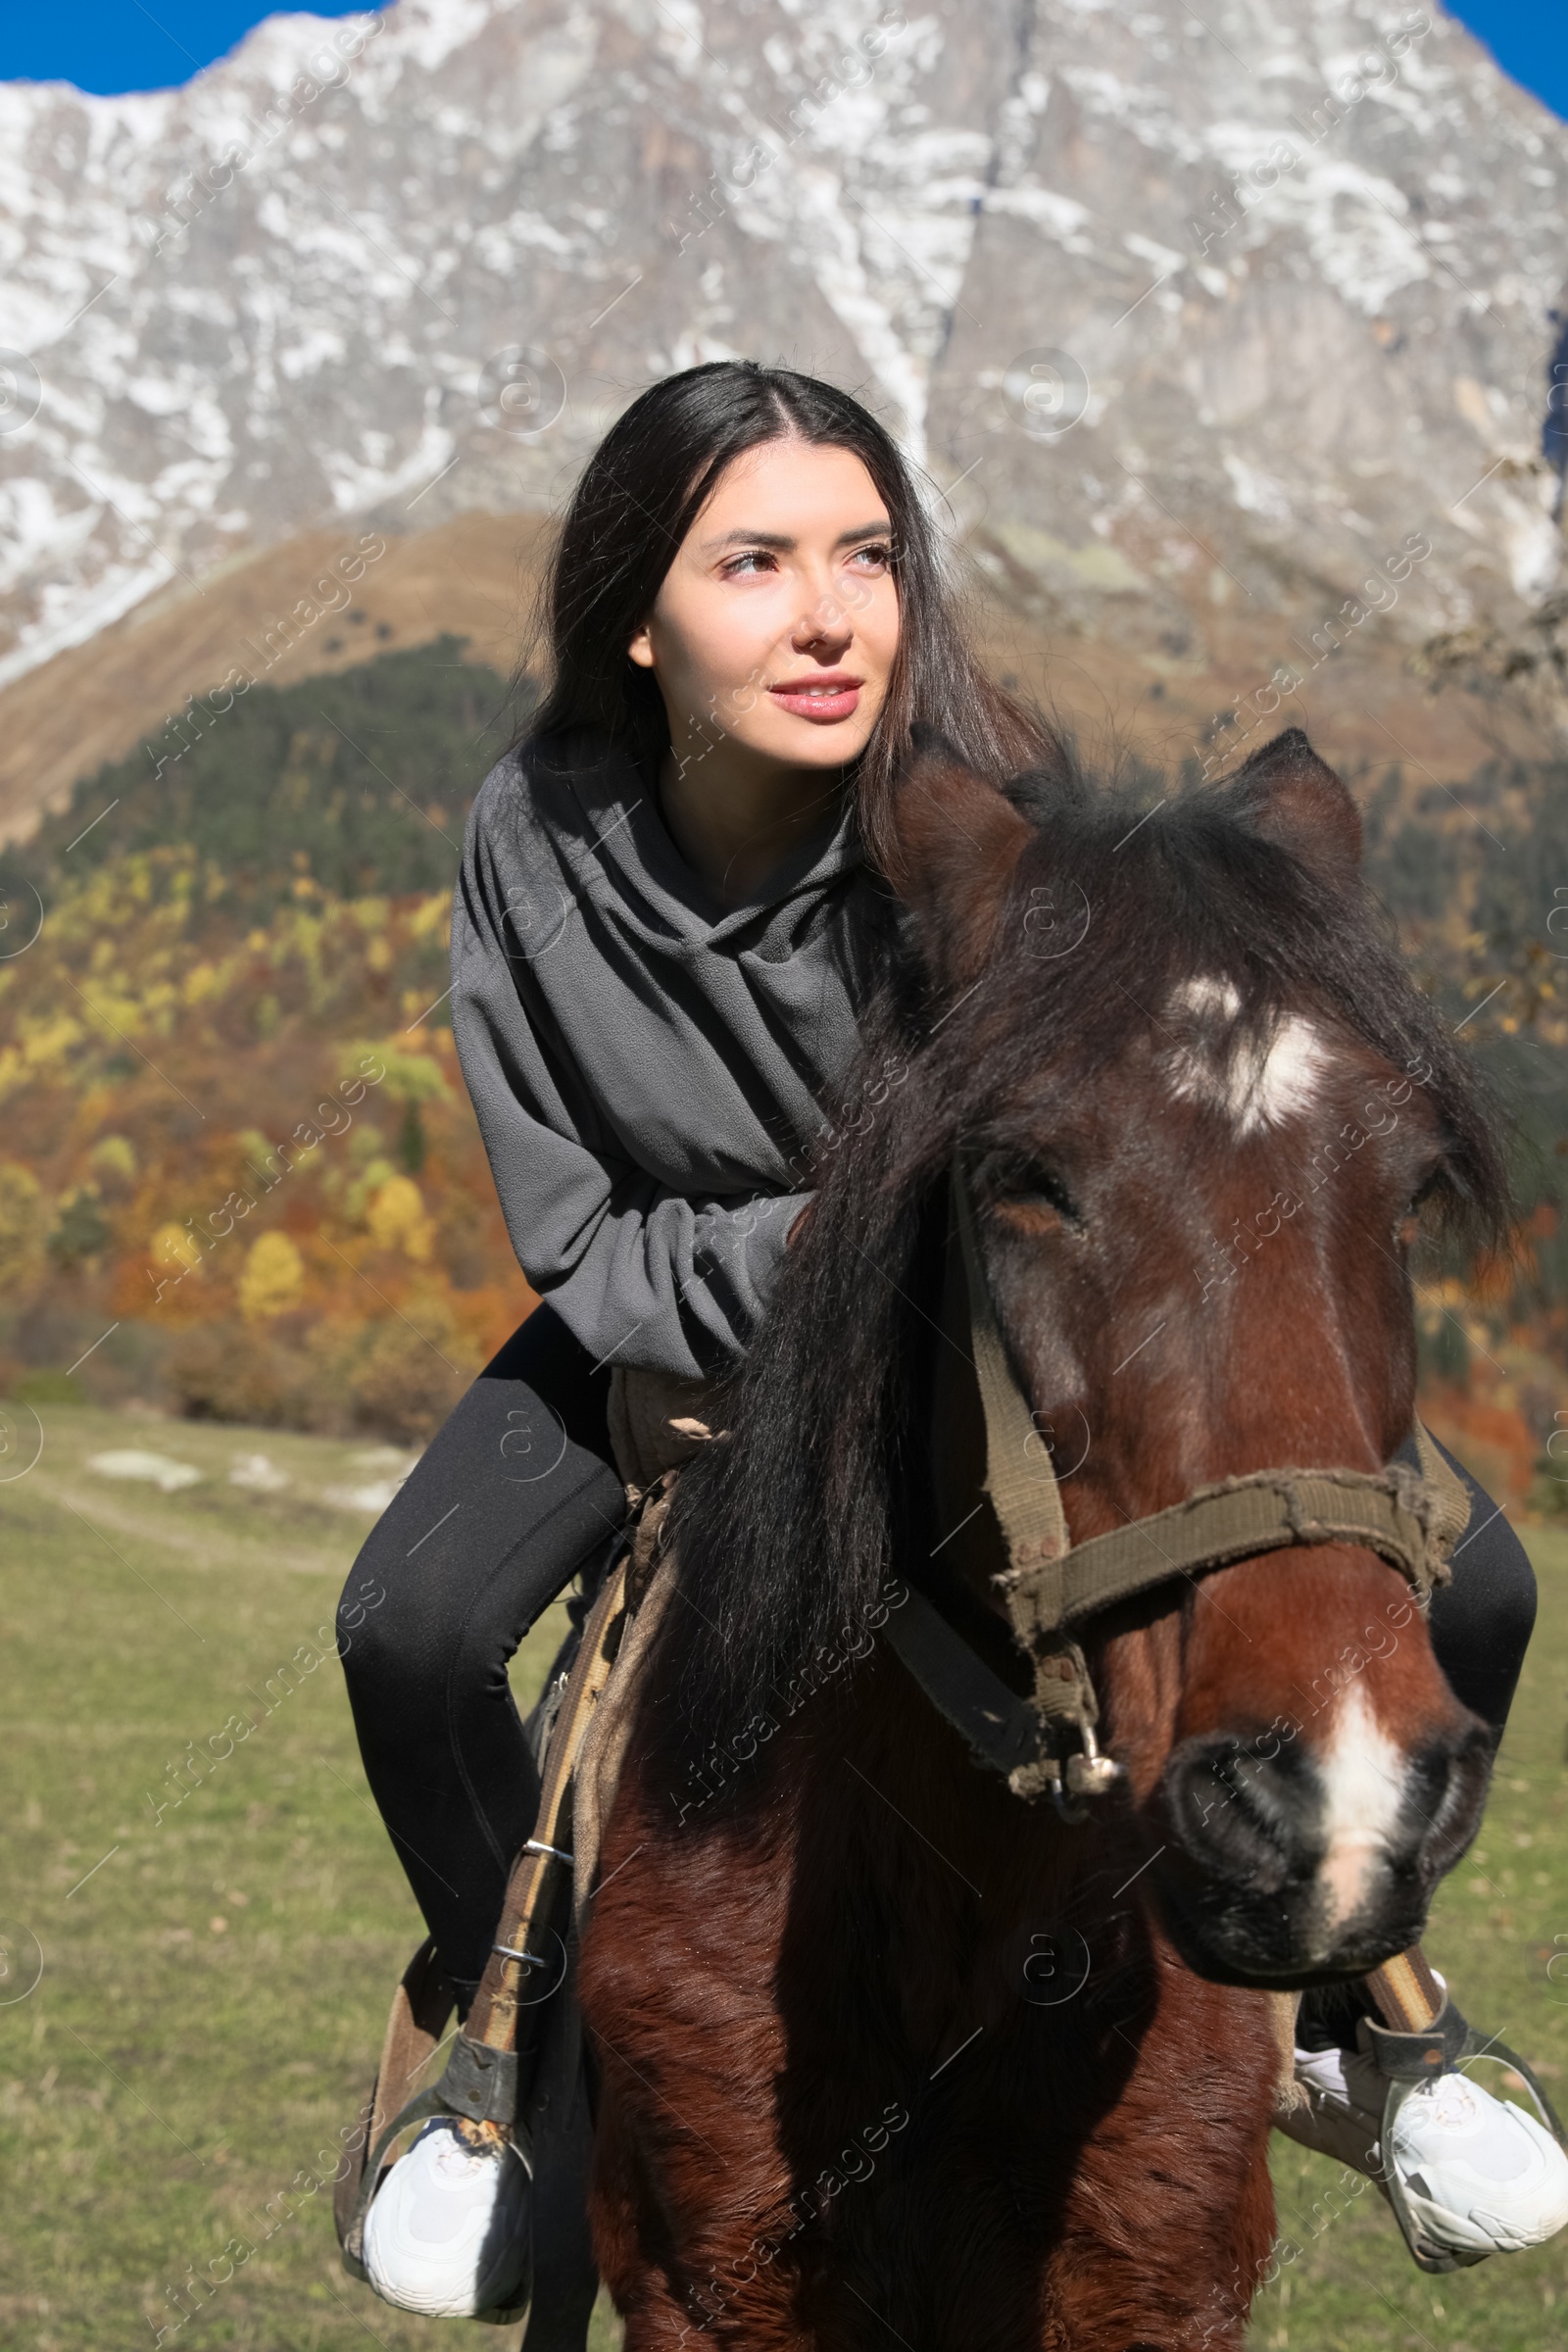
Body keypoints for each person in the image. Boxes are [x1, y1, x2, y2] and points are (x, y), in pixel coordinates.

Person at [336, 361, 1564, 2316]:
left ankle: (1351, 2012)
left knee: (1473, 1584)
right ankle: (514, 2053)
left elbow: (1139, 1117)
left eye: (865, 554)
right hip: (667, 1323)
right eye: (752, 563)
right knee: (401, 1629)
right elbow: (571, 1218)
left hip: (971, 1345)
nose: (826, 613)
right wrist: (814, 1266)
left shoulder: (975, 807)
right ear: (634, 615)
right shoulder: (532, 840)